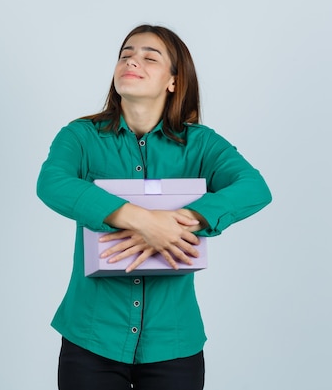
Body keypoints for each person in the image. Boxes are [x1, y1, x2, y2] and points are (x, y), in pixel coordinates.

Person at [36, 24, 272, 390]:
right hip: (90, 339)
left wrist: (186, 220)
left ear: (174, 81)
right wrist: (140, 220)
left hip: (174, 343)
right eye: (126, 54)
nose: (132, 61)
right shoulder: (80, 136)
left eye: (150, 57)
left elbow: (254, 187)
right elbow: (52, 183)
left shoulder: (201, 144)